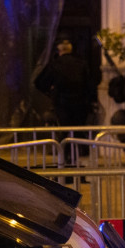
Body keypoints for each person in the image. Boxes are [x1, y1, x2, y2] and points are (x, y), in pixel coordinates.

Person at [37, 33, 99, 164]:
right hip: (80, 107)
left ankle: (64, 163)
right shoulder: (81, 64)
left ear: (59, 49)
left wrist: (51, 92)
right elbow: (90, 86)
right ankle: (75, 162)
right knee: (77, 136)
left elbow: (40, 83)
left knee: (64, 136)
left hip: (62, 106)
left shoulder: (55, 65)